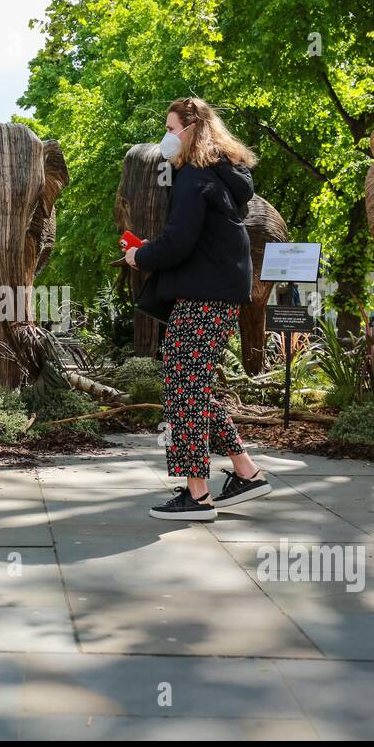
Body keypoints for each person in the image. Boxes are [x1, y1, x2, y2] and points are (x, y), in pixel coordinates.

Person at [124, 97, 272, 521]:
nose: (167, 138)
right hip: (220, 293)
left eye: (172, 129)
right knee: (193, 385)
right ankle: (245, 472)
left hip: (202, 296)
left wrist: (141, 256)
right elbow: (198, 238)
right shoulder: (224, 176)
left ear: (191, 131)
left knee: (183, 388)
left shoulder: (193, 177)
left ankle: (198, 494)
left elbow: (179, 241)